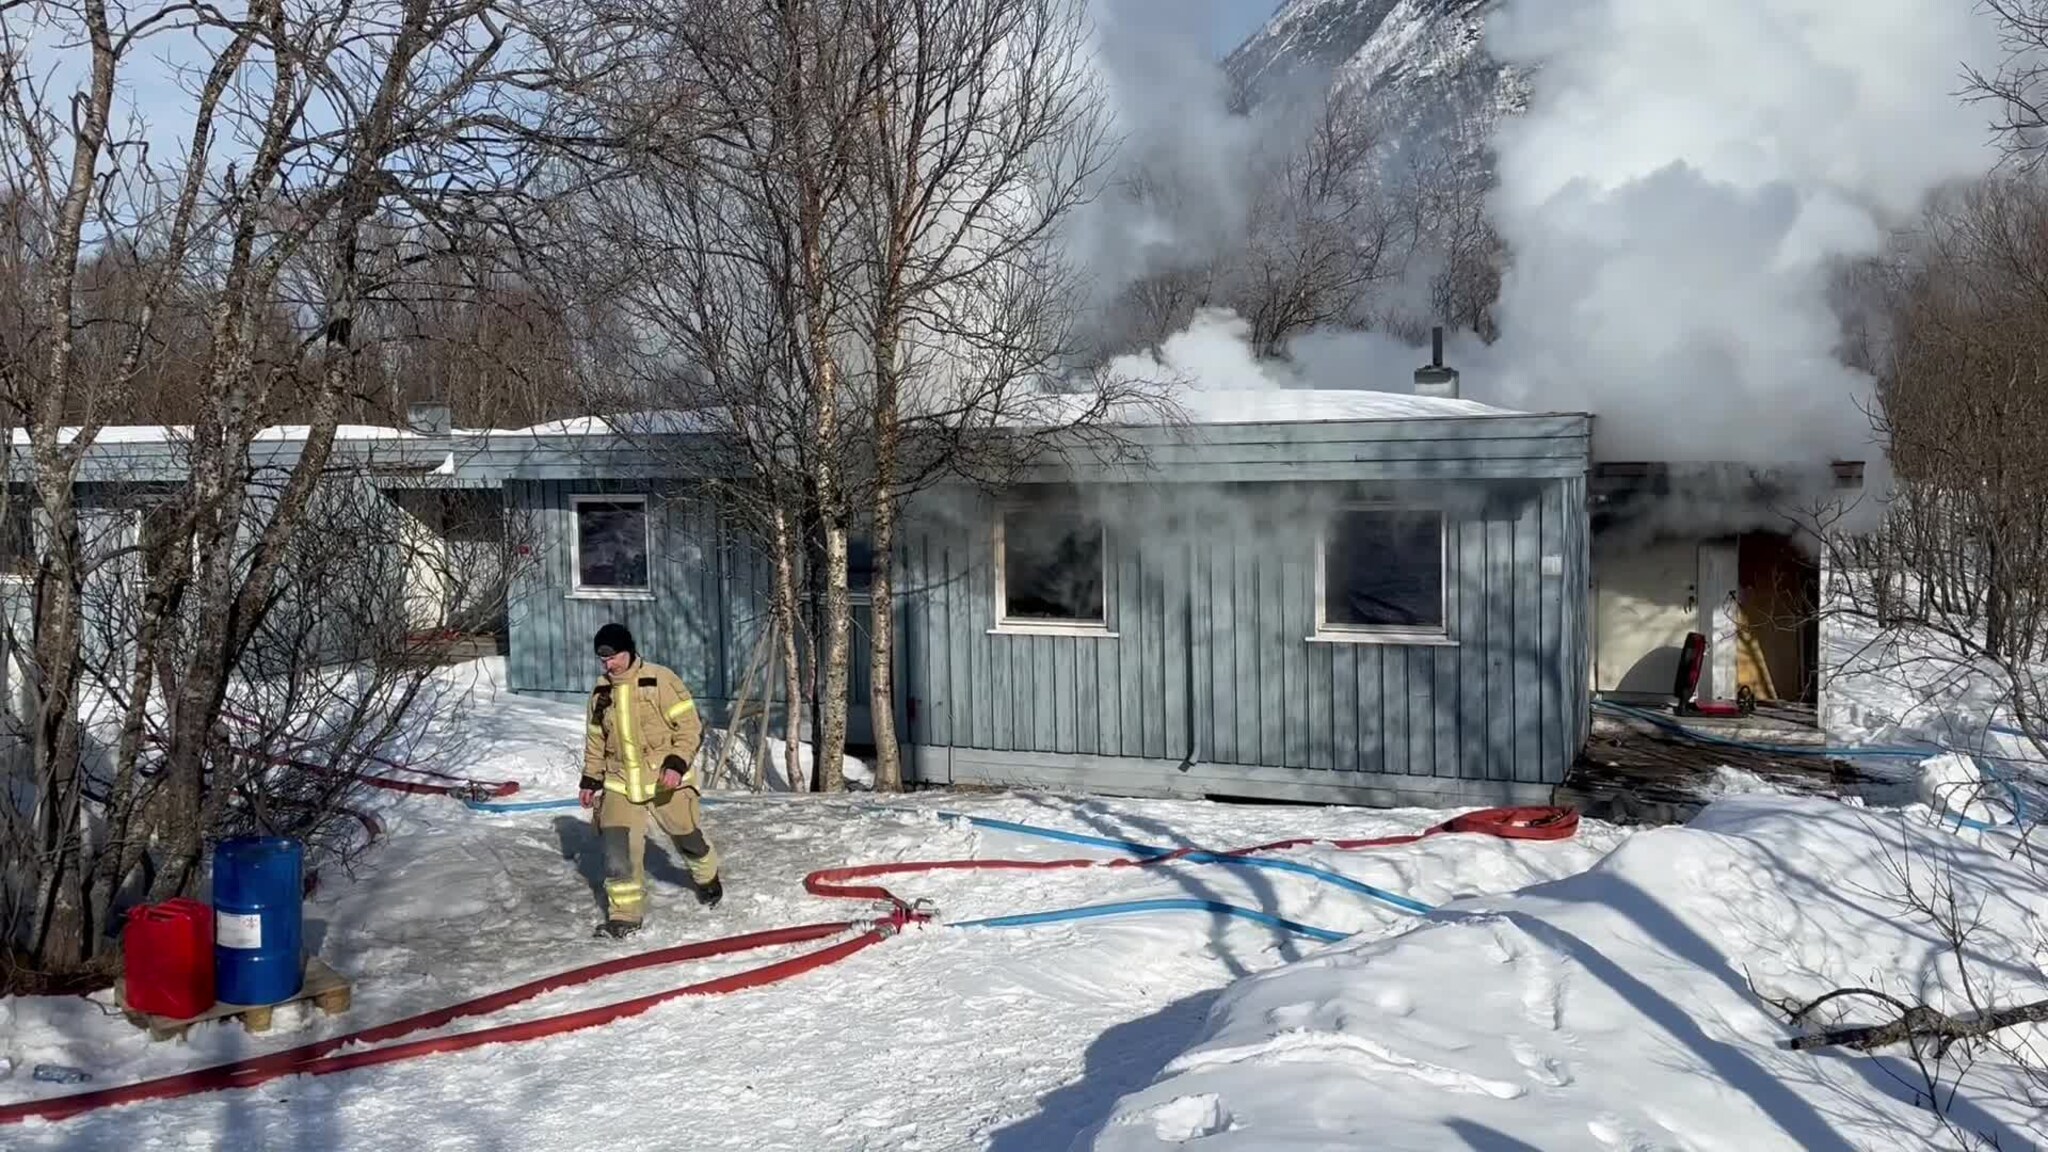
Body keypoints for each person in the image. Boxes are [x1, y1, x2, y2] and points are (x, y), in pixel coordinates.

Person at [580, 621, 723, 938]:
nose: (609, 665)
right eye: (603, 660)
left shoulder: (661, 680)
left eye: (614, 657)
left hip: (664, 780)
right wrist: (590, 780)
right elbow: (595, 741)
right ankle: (625, 917)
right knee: (618, 852)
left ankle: (707, 878)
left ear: (628, 652)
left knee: (688, 838)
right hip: (620, 783)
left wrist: (676, 762)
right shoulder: (601, 691)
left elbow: (689, 728)